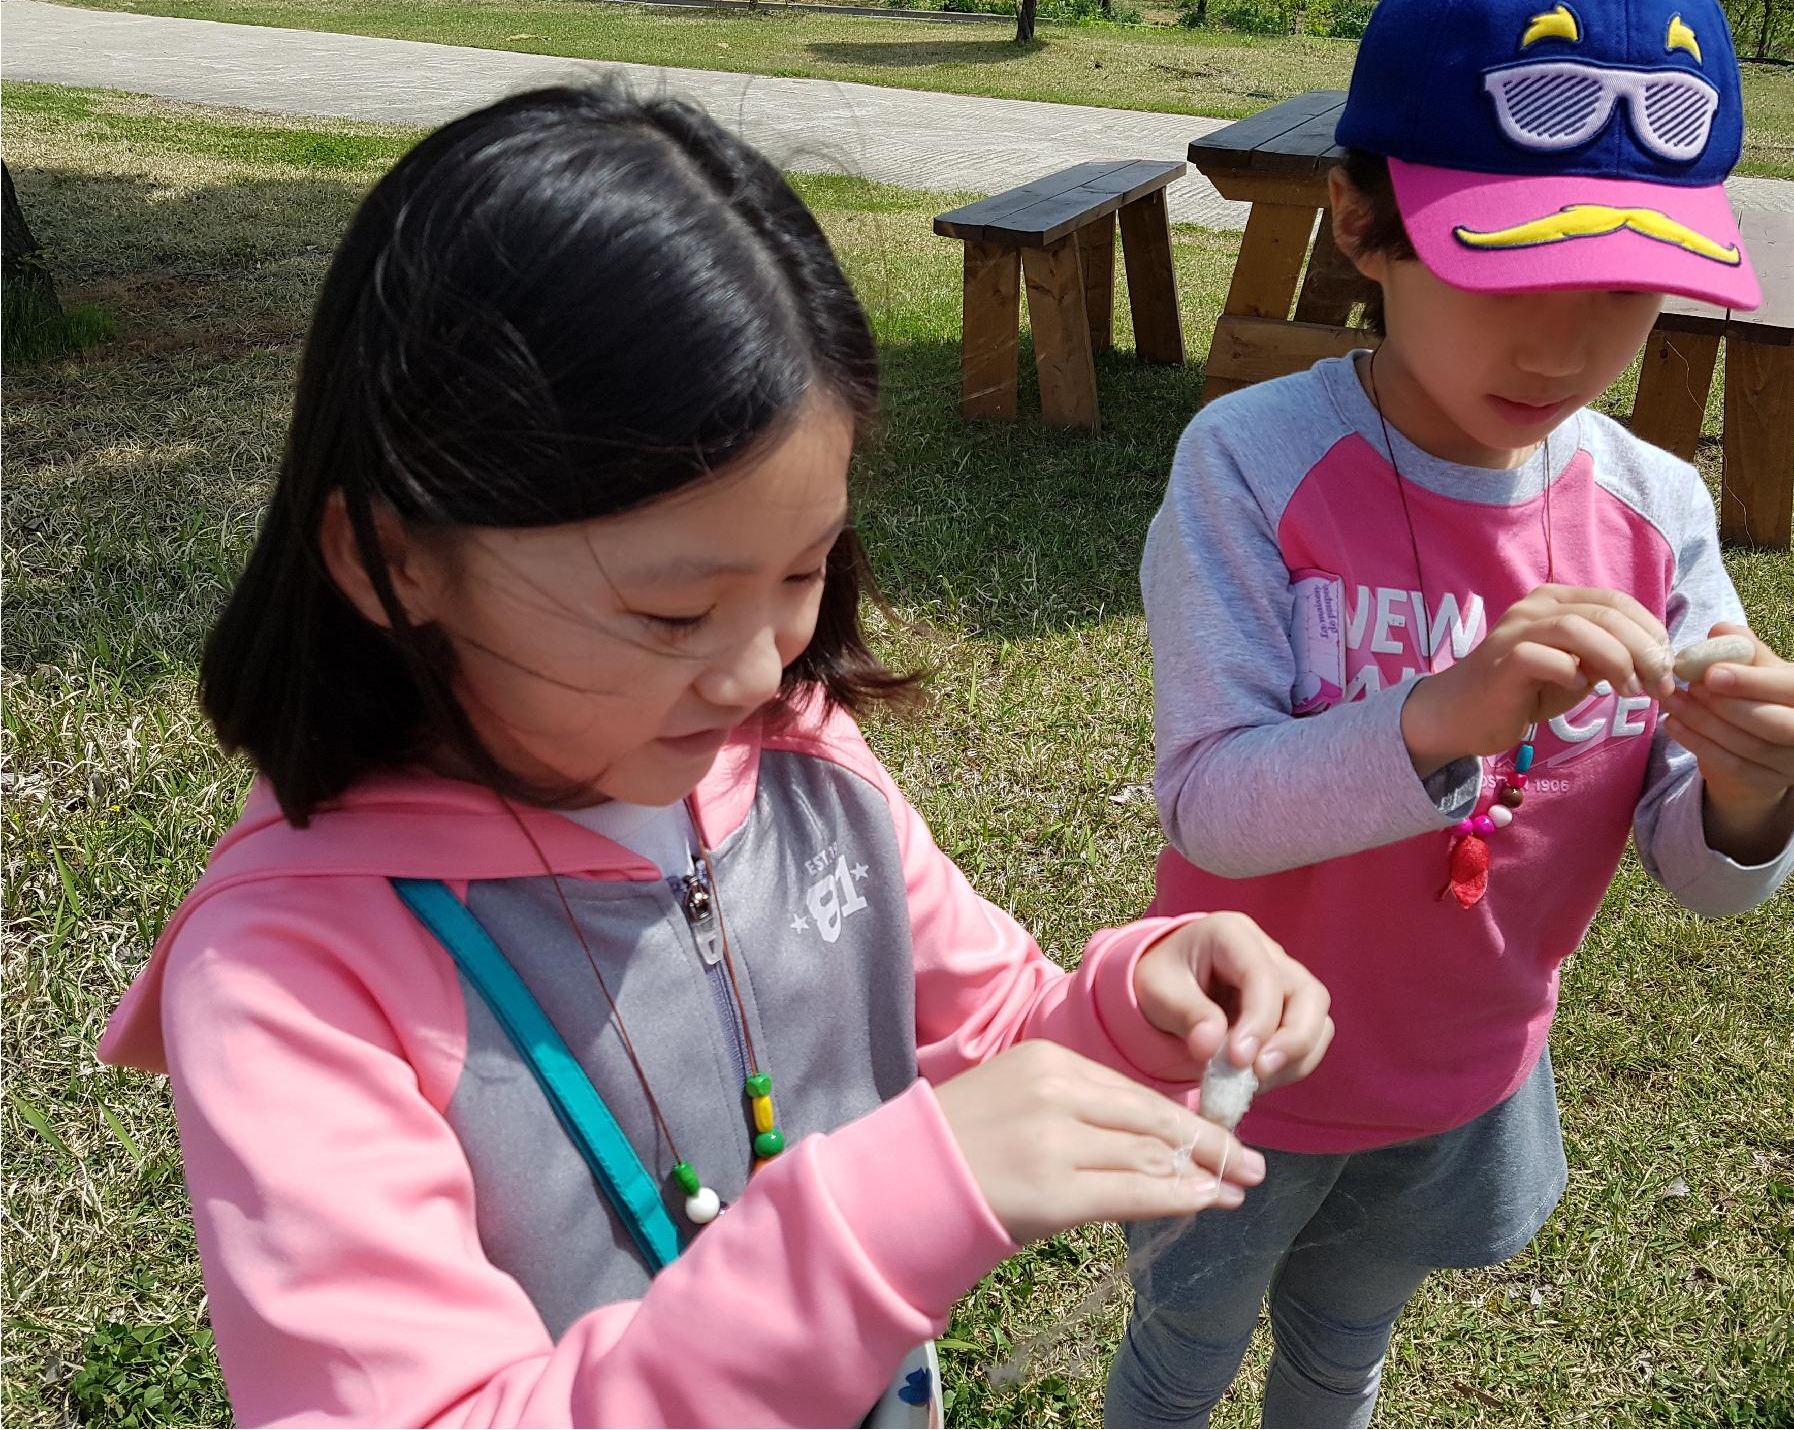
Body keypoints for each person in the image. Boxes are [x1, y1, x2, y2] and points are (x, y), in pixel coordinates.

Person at [95, 86, 1335, 1428]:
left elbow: (997, 1031)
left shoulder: (804, 767)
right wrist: (865, 1232)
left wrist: (1141, 1000)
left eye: (804, 573)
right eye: (671, 613)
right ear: (396, 555)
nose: (756, 673)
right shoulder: (294, 972)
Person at [1104, 0, 1794, 1425]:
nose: (1570, 349)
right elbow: (1213, 808)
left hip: (1464, 1078)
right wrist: (1448, 712)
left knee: (1345, 1350)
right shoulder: (1253, 467)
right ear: (1361, 223)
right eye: (1510, 271)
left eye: (1629, 288)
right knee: (1184, 1346)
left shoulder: (1656, 511)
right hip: (1243, 1061)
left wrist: (1752, 792)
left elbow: (1696, 867)